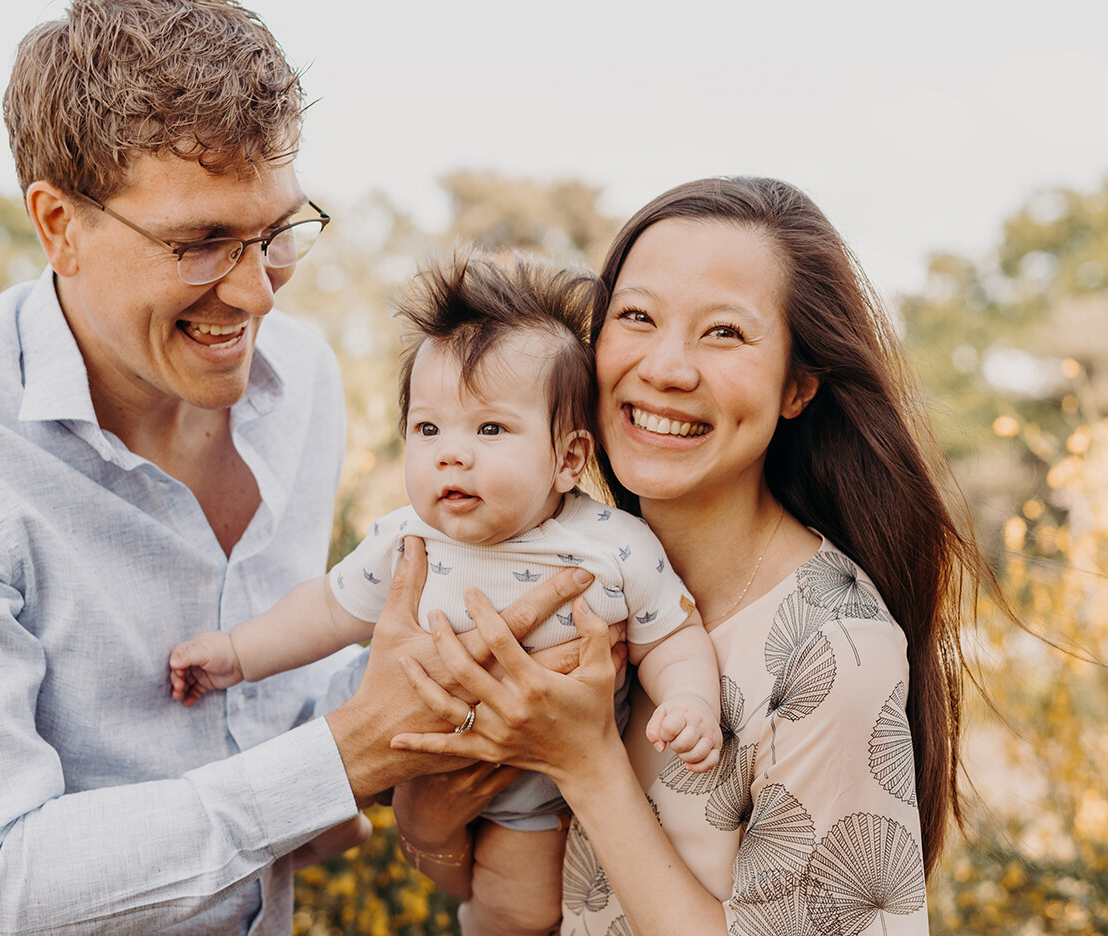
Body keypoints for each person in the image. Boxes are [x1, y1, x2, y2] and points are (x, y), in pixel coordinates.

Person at [0, 0, 595, 935]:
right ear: (60, 225)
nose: (258, 293)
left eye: (276, 233)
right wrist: (348, 756)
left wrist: (485, 657)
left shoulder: (299, 380)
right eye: (202, 244)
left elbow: (291, 722)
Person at [390, 176, 982, 936]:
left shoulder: (833, 652)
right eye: (635, 317)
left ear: (797, 385)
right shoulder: (555, 573)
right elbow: (490, 887)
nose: (666, 368)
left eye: (724, 333)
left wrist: (586, 764)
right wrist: (429, 820)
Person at [168, 250, 722, 936]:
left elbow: (670, 635)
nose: (450, 454)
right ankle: (324, 820)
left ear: (568, 458)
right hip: (402, 737)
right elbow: (327, 610)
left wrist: (691, 700)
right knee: (327, 712)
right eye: (428, 429)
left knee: (519, 911)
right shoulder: (409, 539)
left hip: (531, 786)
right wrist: (235, 652)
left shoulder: (611, 546)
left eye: (490, 429)